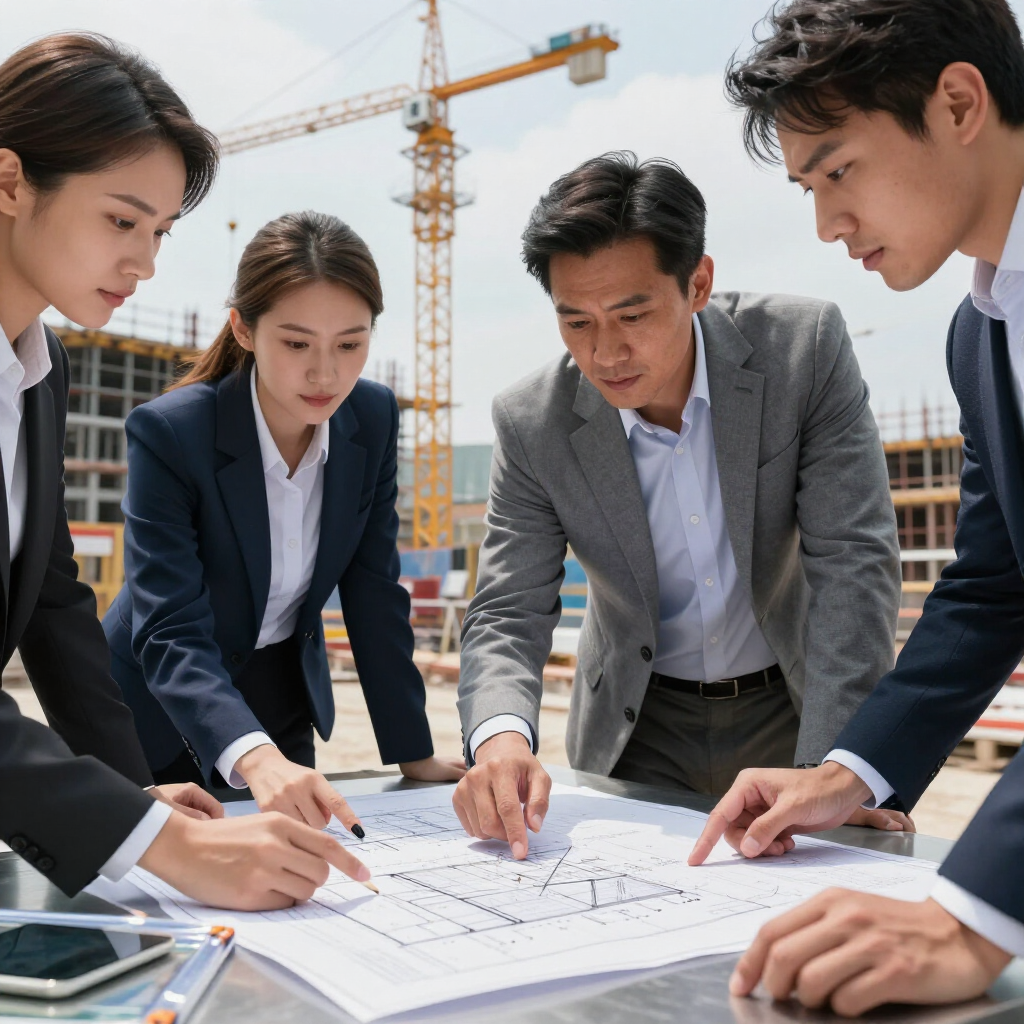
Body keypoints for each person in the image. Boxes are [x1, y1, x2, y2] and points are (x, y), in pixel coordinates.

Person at [688, 0, 1024, 1013]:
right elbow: (992, 586)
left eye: (838, 171)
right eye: (807, 188)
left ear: (958, 101)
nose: (828, 223)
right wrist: (851, 770)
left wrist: (974, 912)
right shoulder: (982, 333)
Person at [0, 32, 370, 910]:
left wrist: (130, 798)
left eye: (159, 230)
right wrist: (156, 843)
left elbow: (51, 606)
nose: (146, 262)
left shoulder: (38, 370)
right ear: (9, 181)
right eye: (121, 220)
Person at [453, 151, 909, 859]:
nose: (606, 353)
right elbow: (510, 605)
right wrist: (500, 737)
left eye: (632, 314)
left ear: (698, 284)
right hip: (637, 725)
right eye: (575, 322)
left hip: (791, 705)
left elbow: (854, 562)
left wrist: (836, 765)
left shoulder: (801, 351)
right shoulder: (530, 421)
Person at [104, 210, 465, 827]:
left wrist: (413, 752)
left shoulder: (371, 417)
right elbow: (168, 624)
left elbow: (374, 590)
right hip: (155, 705)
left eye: (350, 344)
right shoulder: (172, 432)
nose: (326, 374)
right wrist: (252, 756)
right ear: (243, 330)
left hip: (280, 696)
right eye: (296, 343)